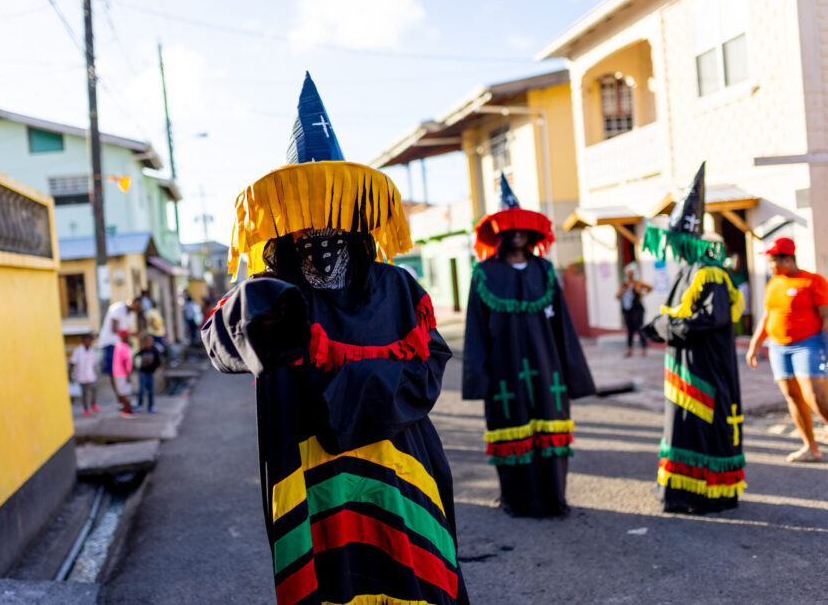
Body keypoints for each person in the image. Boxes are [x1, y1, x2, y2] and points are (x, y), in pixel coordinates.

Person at [203, 73, 468, 604]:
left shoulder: (398, 286)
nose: (321, 236)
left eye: (333, 219)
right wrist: (250, 309)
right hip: (312, 476)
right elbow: (223, 339)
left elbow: (432, 362)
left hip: (402, 471)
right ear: (287, 229)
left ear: (355, 220)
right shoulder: (273, 295)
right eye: (307, 223)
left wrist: (353, 390)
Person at [462, 173, 595, 517]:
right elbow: (475, 332)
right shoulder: (484, 274)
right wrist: (478, 378)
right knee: (512, 430)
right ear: (500, 233)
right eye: (511, 228)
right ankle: (517, 500)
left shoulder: (545, 271)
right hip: (504, 372)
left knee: (550, 431)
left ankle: (554, 499)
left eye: (523, 228)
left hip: (547, 368)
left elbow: (564, 328)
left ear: (532, 232)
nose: (518, 233)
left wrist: (573, 376)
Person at [642, 163, 746, 513]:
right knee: (684, 428)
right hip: (684, 371)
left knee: (706, 430)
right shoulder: (685, 271)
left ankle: (707, 494)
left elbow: (709, 319)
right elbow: (674, 315)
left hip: (707, 372)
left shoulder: (710, 273)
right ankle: (683, 492)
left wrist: (664, 327)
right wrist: (659, 325)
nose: (673, 249)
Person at [746, 237, 828, 462]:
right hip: (779, 347)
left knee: (814, 395)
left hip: (809, 344)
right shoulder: (773, 283)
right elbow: (767, 316)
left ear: (787, 259)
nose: (770, 265)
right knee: (793, 397)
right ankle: (810, 448)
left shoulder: (812, 281)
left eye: (772, 261)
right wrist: (754, 345)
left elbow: (826, 316)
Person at [98, 296, 142, 392]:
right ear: (131, 302)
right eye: (136, 305)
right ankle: (120, 397)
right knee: (114, 371)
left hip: (120, 345)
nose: (137, 308)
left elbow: (125, 332)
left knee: (123, 370)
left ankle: (123, 395)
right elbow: (114, 329)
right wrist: (132, 334)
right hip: (110, 342)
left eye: (139, 307)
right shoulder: (118, 308)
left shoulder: (131, 314)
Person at [616, 261, 652, 357]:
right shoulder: (623, 284)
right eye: (628, 273)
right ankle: (629, 349)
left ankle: (644, 348)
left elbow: (650, 287)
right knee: (630, 330)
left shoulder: (637, 283)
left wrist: (642, 295)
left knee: (640, 328)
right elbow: (617, 296)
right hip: (627, 310)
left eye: (631, 273)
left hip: (637, 309)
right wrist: (623, 290)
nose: (629, 275)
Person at [69, 332, 100, 416]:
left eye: (90, 341)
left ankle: (93, 404)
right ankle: (86, 409)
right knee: (85, 394)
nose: (89, 342)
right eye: (87, 340)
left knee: (94, 390)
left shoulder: (92, 351)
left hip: (91, 376)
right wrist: (70, 375)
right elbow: (72, 363)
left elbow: (94, 363)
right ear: (83, 341)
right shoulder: (78, 351)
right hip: (81, 376)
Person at [136, 334, 162, 413]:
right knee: (141, 390)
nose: (147, 343)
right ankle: (140, 405)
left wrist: (157, 368)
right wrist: (137, 368)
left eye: (149, 341)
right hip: (143, 373)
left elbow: (158, 361)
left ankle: (151, 406)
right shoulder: (142, 351)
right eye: (146, 342)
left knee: (151, 390)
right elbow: (137, 359)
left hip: (151, 373)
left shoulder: (154, 351)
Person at [112, 330, 136, 417]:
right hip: (122, 373)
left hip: (117, 373)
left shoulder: (117, 346)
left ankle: (126, 409)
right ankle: (127, 410)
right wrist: (128, 375)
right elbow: (124, 361)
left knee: (122, 392)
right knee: (124, 393)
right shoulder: (124, 346)